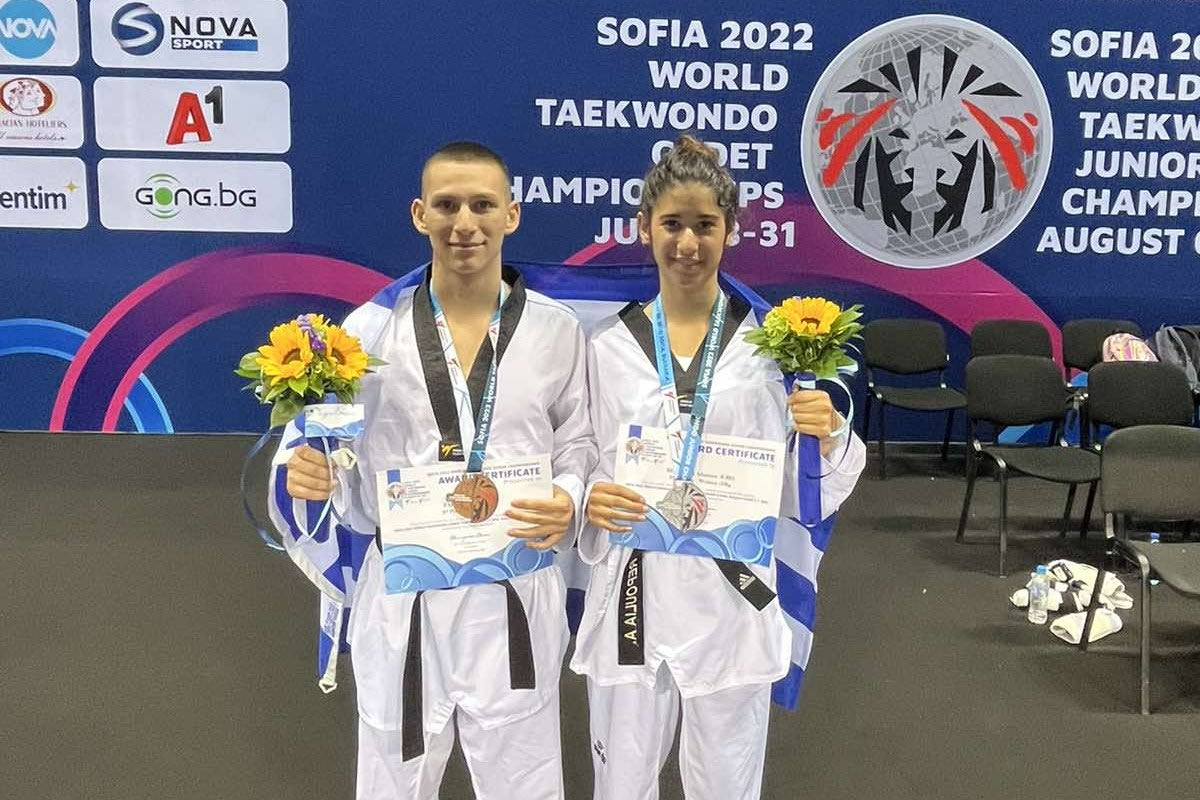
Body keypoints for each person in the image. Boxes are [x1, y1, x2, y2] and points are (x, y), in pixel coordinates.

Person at [272, 141, 594, 800]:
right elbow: (329, 448)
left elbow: (579, 440)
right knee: (393, 782)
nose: (464, 223)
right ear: (420, 215)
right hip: (404, 594)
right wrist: (311, 473)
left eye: (482, 205)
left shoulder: (557, 331)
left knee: (524, 785)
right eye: (447, 206)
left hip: (513, 590)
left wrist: (567, 496)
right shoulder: (366, 334)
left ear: (512, 215)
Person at [570, 134, 866, 800]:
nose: (688, 242)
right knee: (622, 782)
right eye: (672, 224)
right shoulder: (606, 345)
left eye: (705, 225)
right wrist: (590, 495)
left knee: (726, 783)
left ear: (731, 230)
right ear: (644, 228)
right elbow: (583, 451)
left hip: (731, 592)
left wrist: (825, 434)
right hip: (634, 589)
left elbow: (800, 487)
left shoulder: (769, 348)